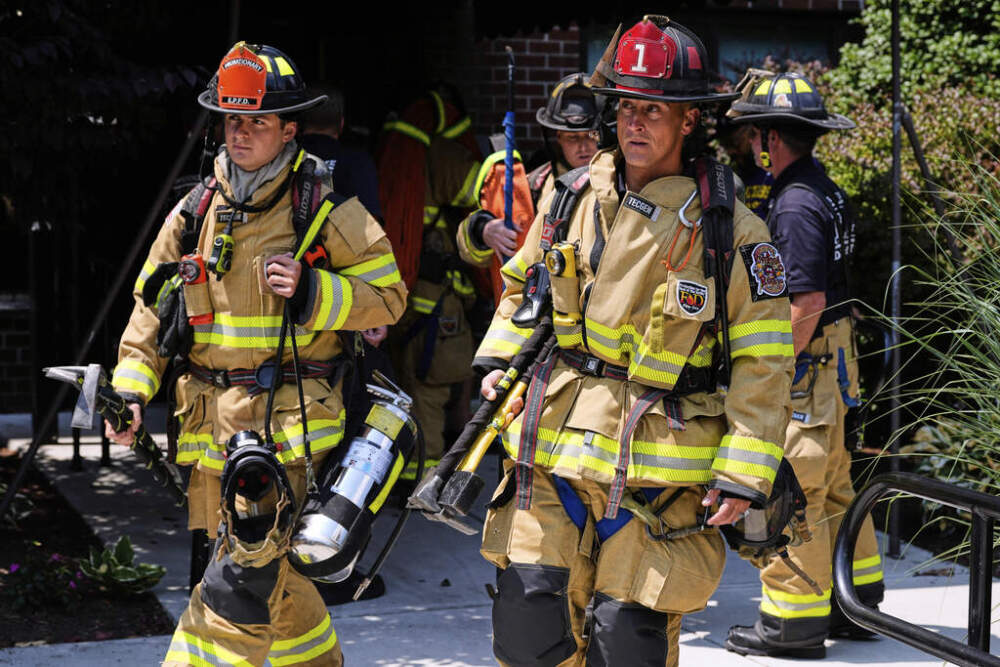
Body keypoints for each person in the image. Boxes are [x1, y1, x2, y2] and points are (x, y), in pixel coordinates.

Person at [474, 16, 794, 665]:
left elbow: (765, 362)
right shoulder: (569, 199)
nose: (635, 122)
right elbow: (521, 290)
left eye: (655, 109)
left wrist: (743, 472)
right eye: (626, 107)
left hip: (658, 473)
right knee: (528, 620)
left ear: (689, 121)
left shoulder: (733, 230)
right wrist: (497, 361)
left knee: (627, 640)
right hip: (554, 448)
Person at [105, 41, 406, 666]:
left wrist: (315, 291)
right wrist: (132, 391)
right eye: (232, 119)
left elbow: (391, 297)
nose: (240, 133)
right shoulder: (194, 213)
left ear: (288, 129)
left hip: (290, 433)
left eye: (257, 121)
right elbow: (147, 313)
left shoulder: (323, 210)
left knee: (235, 590)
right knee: (280, 590)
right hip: (210, 434)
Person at [724, 70, 885, 659]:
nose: (750, 147)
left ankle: (791, 625)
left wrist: (769, 374)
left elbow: (806, 302)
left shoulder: (792, 204)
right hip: (835, 361)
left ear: (770, 137)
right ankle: (857, 605)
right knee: (838, 485)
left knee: (796, 493)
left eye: (754, 137)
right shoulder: (823, 189)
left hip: (807, 367)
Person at [377, 88, 484, 480]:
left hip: (406, 298)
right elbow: (483, 191)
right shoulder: (441, 154)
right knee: (431, 390)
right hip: (434, 302)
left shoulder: (395, 153)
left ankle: (412, 476)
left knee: (413, 388)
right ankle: (424, 481)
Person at [456, 73, 601, 268]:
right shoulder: (534, 186)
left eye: (591, 135)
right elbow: (469, 251)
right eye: (572, 138)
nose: (583, 147)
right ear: (557, 137)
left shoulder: (624, 183)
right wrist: (483, 229)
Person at [298, 83, 384, 220]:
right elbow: (371, 225)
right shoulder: (358, 163)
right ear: (342, 123)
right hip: (341, 240)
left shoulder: (282, 157)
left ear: (298, 123)